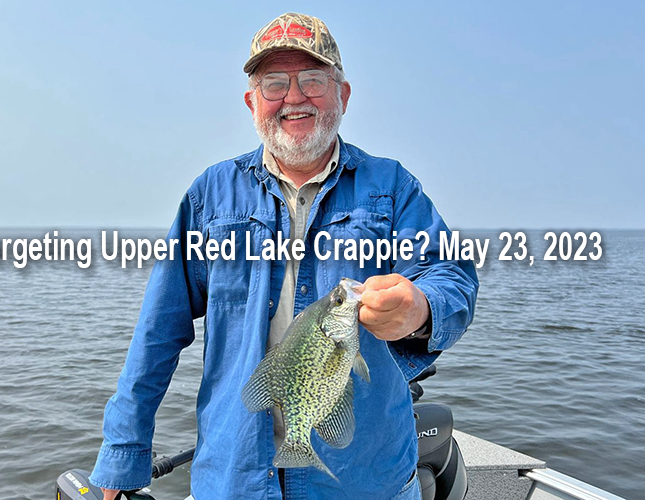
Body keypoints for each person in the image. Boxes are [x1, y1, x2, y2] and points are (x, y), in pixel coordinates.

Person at [90, 12, 478, 500]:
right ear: (253, 102)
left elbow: (453, 276)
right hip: (233, 481)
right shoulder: (209, 195)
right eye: (274, 84)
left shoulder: (392, 186)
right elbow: (158, 329)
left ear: (343, 95)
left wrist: (419, 307)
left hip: (365, 481)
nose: (294, 98)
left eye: (313, 80)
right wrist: (123, 452)